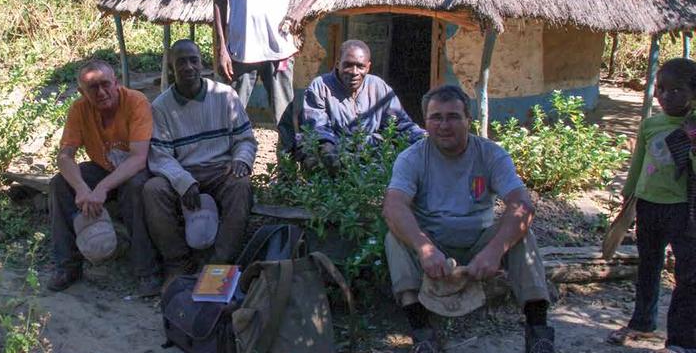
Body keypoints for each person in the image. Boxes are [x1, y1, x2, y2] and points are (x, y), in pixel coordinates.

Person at [382, 85, 561, 353]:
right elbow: (394, 205)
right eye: (435, 117)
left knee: (523, 236)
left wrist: (494, 250)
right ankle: (422, 337)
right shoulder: (412, 157)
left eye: (453, 117)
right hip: (435, 244)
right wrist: (424, 247)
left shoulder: (490, 154)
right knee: (394, 237)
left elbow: (522, 204)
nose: (444, 125)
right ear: (425, 121)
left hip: (480, 241)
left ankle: (539, 335)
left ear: (469, 119)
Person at [606, 57, 696, 353]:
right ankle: (642, 322)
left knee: (687, 275)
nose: (665, 95)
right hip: (647, 205)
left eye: (676, 90)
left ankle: (683, 343)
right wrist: (629, 196)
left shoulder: (693, 126)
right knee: (648, 265)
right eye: (660, 88)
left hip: (683, 210)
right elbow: (638, 164)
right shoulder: (650, 124)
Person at [143, 39, 257, 280]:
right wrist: (183, 181)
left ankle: (219, 263)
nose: (188, 67)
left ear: (201, 63)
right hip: (184, 171)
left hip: (220, 170)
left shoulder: (225, 96)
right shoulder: (161, 106)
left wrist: (241, 159)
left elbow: (245, 139)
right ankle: (178, 262)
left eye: (193, 60)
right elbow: (161, 155)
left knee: (241, 185)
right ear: (171, 69)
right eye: (180, 62)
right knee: (153, 189)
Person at [48, 59, 161, 296]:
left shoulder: (136, 102)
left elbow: (139, 158)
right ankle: (67, 265)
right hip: (103, 168)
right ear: (82, 92)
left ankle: (146, 270)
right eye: (92, 88)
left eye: (105, 84)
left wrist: (101, 188)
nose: (101, 92)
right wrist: (81, 187)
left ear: (116, 82)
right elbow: (65, 156)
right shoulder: (79, 109)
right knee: (59, 184)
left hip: (136, 170)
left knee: (135, 187)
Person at [279, 39, 425, 167]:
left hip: (371, 151)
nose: (354, 72)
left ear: (368, 67)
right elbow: (318, 128)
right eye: (348, 65)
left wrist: (426, 138)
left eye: (360, 66)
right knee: (312, 153)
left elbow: (401, 124)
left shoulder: (379, 87)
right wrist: (330, 152)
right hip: (333, 150)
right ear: (337, 64)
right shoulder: (320, 86)